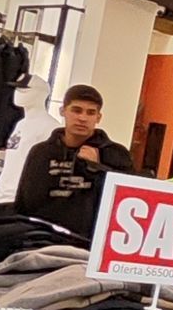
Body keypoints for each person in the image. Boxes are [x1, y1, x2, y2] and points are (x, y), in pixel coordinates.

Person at [12, 82, 132, 242]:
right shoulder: (41, 152)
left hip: (90, 242)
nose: (82, 118)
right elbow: (24, 202)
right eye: (76, 110)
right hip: (42, 239)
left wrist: (96, 168)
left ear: (98, 118)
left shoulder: (116, 154)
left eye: (90, 113)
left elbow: (127, 202)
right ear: (62, 111)